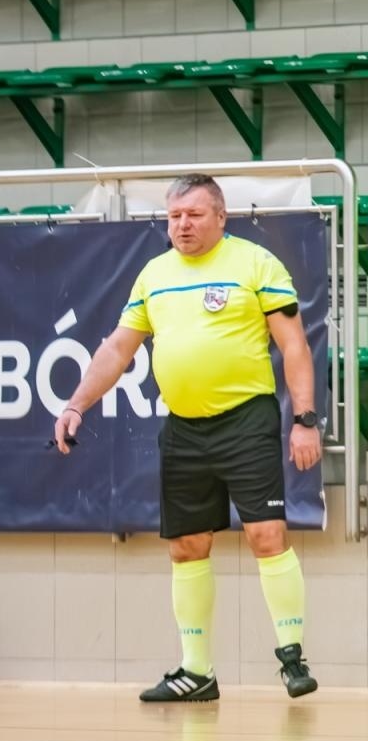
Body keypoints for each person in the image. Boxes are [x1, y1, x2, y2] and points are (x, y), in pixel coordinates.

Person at [54, 173, 322, 702]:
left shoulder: (256, 264)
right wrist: (75, 404)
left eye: (194, 215)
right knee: (186, 546)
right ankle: (196, 672)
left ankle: (292, 657)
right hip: (183, 428)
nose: (182, 225)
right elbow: (116, 350)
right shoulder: (154, 275)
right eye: (174, 216)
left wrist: (305, 420)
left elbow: (294, 346)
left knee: (266, 535)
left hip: (246, 421)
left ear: (221, 217)